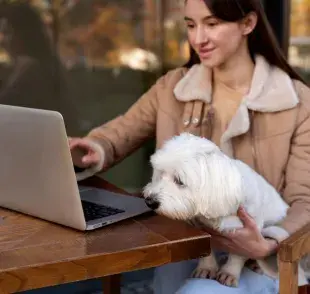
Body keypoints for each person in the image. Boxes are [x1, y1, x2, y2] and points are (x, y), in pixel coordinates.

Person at [69, 0, 310, 293]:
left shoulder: (298, 102)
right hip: (186, 248)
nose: (198, 39)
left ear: (248, 23)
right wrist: (93, 147)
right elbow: (119, 133)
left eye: (211, 24)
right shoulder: (173, 87)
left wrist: (267, 243)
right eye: (191, 25)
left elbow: (304, 201)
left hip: (263, 263)